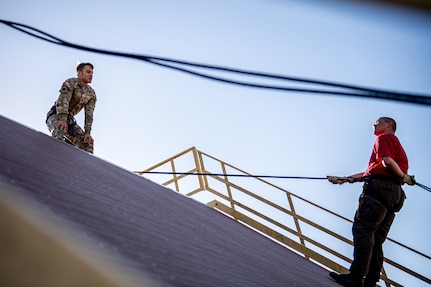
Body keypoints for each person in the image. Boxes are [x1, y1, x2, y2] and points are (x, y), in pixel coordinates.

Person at [327, 117, 415, 287]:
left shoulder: (384, 138)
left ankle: (356, 277)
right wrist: (345, 179)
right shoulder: (395, 144)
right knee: (376, 239)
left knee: (363, 230)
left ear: (389, 125)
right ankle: (371, 281)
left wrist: (403, 176)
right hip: (393, 195)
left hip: (378, 191)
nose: (374, 124)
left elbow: (387, 162)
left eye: (378, 121)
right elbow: (376, 170)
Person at [46, 63, 97, 153]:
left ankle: (83, 166)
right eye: (88, 72)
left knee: (87, 142)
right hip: (56, 115)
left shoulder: (91, 93)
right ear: (79, 73)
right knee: (61, 128)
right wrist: (62, 119)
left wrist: (87, 133)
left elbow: (89, 114)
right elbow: (63, 100)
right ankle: (55, 155)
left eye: (92, 73)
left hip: (70, 121)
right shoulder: (71, 83)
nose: (91, 75)